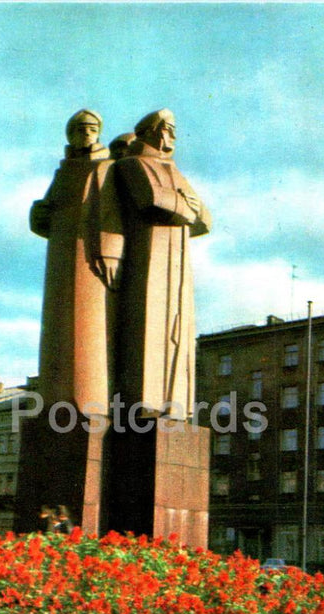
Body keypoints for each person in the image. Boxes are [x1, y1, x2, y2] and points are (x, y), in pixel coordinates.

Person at [113, 108, 211, 418]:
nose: (174, 135)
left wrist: (187, 208)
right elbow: (151, 199)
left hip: (178, 260)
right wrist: (186, 206)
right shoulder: (133, 164)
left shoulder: (175, 170)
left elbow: (205, 219)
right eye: (169, 127)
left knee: (177, 327)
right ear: (155, 131)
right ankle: (146, 401)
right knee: (149, 322)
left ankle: (173, 404)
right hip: (148, 253)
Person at [30, 109, 123, 415]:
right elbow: (47, 210)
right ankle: (60, 400)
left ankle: (87, 402)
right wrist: (39, 214)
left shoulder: (107, 167)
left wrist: (109, 251)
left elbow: (112, 215)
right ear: (70, 133)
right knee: (59, 328)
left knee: (88, 327)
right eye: (80, 128)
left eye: (92, 128)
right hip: (60, 257)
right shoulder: (64, 170)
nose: (86, 133)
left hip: (89, 255)